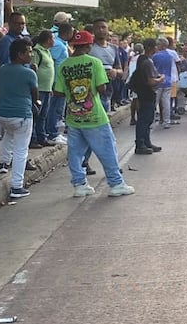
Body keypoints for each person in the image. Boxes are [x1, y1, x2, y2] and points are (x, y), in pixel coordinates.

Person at [54, 30, 135, 197]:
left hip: (73, 116)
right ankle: (116, 183)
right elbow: (101, 88)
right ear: (89, 46)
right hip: (95, 116)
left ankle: (79, 184)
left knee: (75, 153)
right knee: (107, 150)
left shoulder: (63, 66)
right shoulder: (95, 63)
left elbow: (59, 92)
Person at [0, 39, 38, 199]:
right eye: (28, 51)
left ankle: (3, 162)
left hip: (3, 114)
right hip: (22, 114)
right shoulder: (29, 73)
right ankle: (16, 186)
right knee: (21, 151)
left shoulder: (2, 69)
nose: (31, 54)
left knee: (9, 135)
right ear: (20, 55)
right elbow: (35, 95)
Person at [129, 38, 163, 154]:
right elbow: (150, 81)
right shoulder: (147, 62)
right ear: (150, 47)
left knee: (147, 119)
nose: (156, 49)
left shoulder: (142, 60)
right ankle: (140, 143)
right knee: (144, 119)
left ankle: (146, 141)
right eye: (155, 46)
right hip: (147, 93)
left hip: (143, 93)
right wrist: (160, 79)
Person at [43, 22, 72, 143]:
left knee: (59, 108)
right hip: (56, 81)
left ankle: (55, 131)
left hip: (62, 80)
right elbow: (52, 61)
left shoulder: (63, 44)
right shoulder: (58, 45)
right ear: (67, 32)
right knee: (54, 108)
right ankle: (52, 133)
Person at [30, 29, 56, 148]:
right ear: (48, 39)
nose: (54, 41)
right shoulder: (37, 51)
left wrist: (50, 87)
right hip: (38, 88)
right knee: (36, 114)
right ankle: (33, 138)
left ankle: (42, 137)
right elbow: (33, 69)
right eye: (52, 38)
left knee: (43, 115)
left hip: (46, 88)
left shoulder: (47, 51)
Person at [151, 37, 176, 129]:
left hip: (157, 81)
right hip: (168, 80)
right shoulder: (170, 56)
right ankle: (166, 121)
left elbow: (153, 69)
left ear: (161, 45)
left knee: (154, 102)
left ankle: (152, 122)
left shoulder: (155, 56)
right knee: (166, 102)